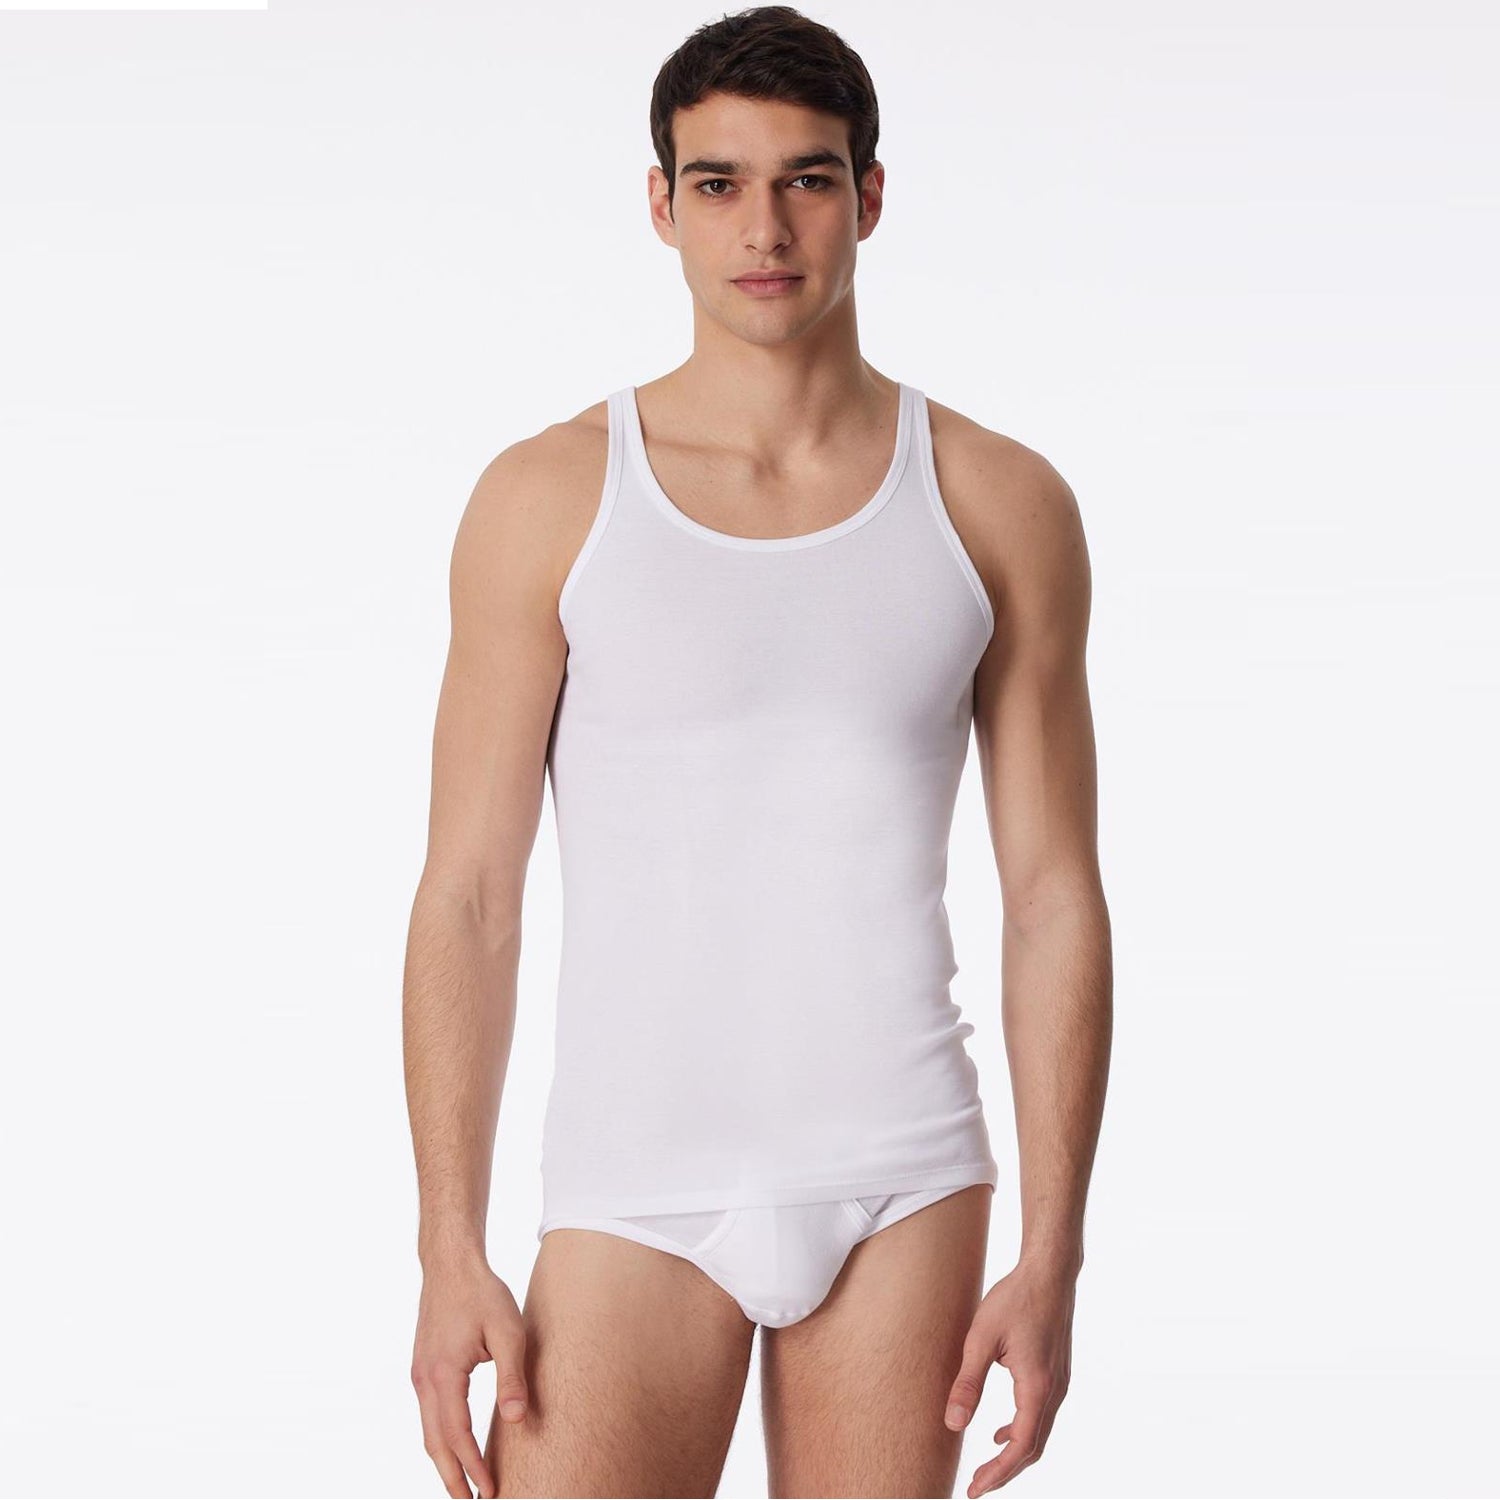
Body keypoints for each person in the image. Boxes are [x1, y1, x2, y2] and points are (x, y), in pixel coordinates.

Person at [402, 7, 1112, 1497]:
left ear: (869, 195)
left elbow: (1053, 894)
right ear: (662, 206)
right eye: (719, 183)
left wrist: (1054, 1252)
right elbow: (468, 894)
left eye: (807, 178)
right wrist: (447, 1243)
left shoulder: (997, 502)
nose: (765, 227)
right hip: (630, 1188)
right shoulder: (549, 498)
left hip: (903, 1171)